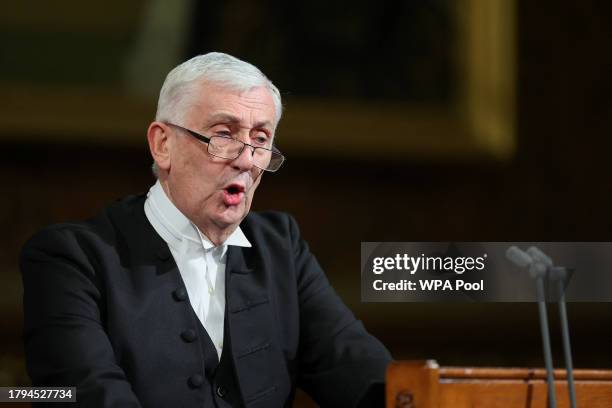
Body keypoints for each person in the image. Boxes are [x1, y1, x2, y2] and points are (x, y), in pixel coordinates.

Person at [20, 52, 392, 407]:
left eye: (261, 140)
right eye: (224, 135)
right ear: (162, 144)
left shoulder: (280, 248)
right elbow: (87, 395)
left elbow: (360, 372)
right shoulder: (70, 259)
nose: (246, 160)